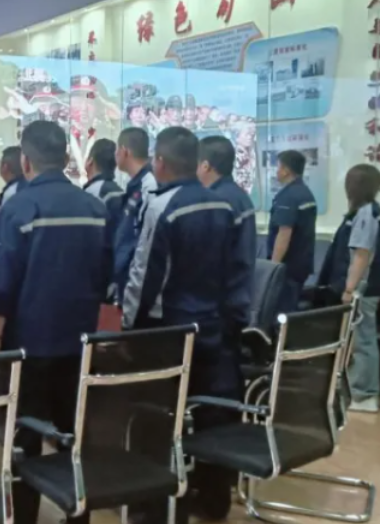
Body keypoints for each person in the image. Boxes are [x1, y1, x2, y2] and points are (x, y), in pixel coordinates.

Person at [0, 120, 109, 524]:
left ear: (25, 161)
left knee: (25, 434)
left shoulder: (20, 207)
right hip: (81, 342)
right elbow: (105, 273)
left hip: (29, 344)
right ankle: (78, 515)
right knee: (74, 433)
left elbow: (6, 281)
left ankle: (25, 516)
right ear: (66, 157)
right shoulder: (95, 208)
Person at [131, 127, 239, 523]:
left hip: (170, 331)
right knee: (210, 414)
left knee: (158, 418)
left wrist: (130, 327)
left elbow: (145, 276)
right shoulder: (223, 205)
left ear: (160, 162)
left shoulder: (162, 207)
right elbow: (234, 272)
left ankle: (157, 507)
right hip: (213, 326)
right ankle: (212, 499)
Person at [317, 164, 380, 413]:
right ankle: (355, 388)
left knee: (363, 341)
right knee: (354, 339)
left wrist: (350, 288)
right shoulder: (360, 212)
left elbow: (361, 255)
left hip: (361, 290)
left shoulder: (367, 214)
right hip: (358, 287)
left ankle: (365, 395)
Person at [197, 136, 256, 326]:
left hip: (220, 307)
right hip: (238, 298)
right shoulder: (239, 196)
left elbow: (208, 259)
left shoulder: (216, 201)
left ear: (205, 166)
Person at [267, 149, 318, 318]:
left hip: (287, 267)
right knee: (290, 309)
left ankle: (282, 336)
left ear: (286, 170)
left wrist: (273, 267)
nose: (276, 171)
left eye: (278, 167)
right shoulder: (306, 193)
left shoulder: (288, 197)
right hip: (301, 264)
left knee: (282, 313)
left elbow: (284, 233)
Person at [112, 127, 158, 304]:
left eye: (117, 149)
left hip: (137, 284)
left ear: (124, 151)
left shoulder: (149, 184)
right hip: (125, 278)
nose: (115, 154)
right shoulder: (136, 184)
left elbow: (145, 239)